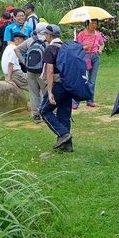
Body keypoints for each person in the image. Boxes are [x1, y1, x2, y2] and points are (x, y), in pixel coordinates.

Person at [37, 23, 74, 152]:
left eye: (46, 34)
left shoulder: (50, 49)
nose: (45, 36)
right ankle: (67, 146)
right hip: (69, 85)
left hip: (57, 84)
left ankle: (63, 134)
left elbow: (50, 71)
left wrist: (50, 91)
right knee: (64, 113)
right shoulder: (66, 47)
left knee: (44, 110)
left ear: (49, 35)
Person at [76, 19, 106, 109]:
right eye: (92, 23)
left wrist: (100, 49)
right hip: (84, 57)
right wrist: (85, 47)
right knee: (82, 79)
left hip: (95, 57)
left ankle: (90, 100)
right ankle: (76, 100)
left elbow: (102, 43)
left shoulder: (98, 34)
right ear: (87, 24)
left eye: (96, 24)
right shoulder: (81, 34)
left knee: (92, 81)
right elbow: (77, 46)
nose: (94, 25)